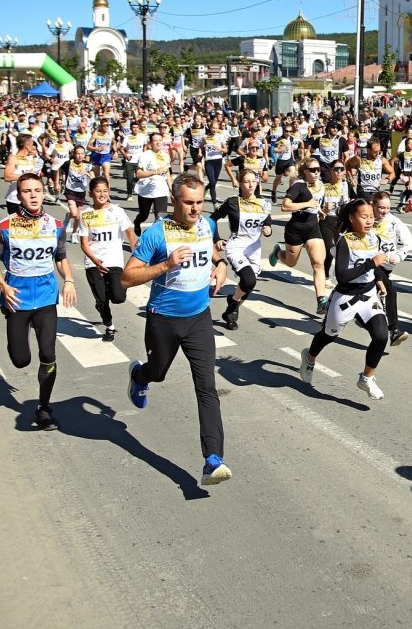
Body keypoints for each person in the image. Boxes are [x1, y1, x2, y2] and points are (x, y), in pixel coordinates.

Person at [121, 173, 233, 486]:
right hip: (163, 320)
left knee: (206, 387)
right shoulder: (156, 234)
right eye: (189, 203)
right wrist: (166, 265)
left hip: (199, 319)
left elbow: (213, 251)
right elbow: (127, 278)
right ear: (174, 201)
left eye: (199, 202)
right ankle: (139, 376)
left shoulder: (206, 225)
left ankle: (213, 459)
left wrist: (221, 265)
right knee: (158, 373)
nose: (196, 209)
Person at [0, 174, 75, 431]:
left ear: (44, 192)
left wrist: (68, 279)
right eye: (27, 191)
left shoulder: (56, 225)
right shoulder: (4, 227)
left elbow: (60, 257)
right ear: (18, 195)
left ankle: (44, 407)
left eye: (37, 190)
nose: (33, 195)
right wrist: (3, 285)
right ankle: (15, 334)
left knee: (48, 354)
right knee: (21, 360)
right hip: (17, 299)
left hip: (46, 298)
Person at [298, 198, 394, 400]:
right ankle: (309, 358)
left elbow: (374, 262)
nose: (369, 221)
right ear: (351, 218)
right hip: (345, 298)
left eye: (371, 216)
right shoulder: (344, 241)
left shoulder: (373, 237)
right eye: (363, 216)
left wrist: (379, 279)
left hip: (368, 296)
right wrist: (371, 264)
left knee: (381, 336)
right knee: (328, 335)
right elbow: (342, 275)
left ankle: (367, 378)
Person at [78, 177, 135, 343]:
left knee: (118, 297)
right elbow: (84, 243)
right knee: (102, 300)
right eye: (98, 191)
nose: (102, 194)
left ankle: (109, 290)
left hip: (114, 261)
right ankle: (109, 327)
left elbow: (130, 233)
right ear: (91, 193)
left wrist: (136, 255)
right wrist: (94, 260)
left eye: (105, 191)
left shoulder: (117, 211)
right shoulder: (85, 215)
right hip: (93, 263)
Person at [270, 159, 331, 315]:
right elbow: (285, 206)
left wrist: (320, 210)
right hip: (295, 230)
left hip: (313, 229)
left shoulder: (320, 185)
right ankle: (277, 252)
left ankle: (321, 300)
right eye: (312, 170)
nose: (317, 172)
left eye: (318, 169)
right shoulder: (298, 186)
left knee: (318, 264)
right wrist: (306, 204)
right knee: (291, 263)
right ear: (304, 171)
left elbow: (314, 204)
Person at [218, 169, 272, 331]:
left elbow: (267, 221)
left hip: (254, 249)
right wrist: (217, 239)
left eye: (253, 181)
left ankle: (231, 311)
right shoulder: (232, 202)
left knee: (247, 285)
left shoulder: (263, 203)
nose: (250, 184)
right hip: (236, 246)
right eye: (246, 181)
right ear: (240, 184)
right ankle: (234, 304)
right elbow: (213, 218)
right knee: (249, 280)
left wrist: (268, 229)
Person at [372, 190, 412, 346]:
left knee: (364, 297)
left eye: (388, 208)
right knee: (390, 291)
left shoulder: (394, 221)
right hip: (371, 265)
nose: (384, 211)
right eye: (381, 208)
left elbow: (409, 242)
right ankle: (394, 331)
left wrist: (400, 255)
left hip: (387, 267)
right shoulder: (367, 219)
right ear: (373, 206)